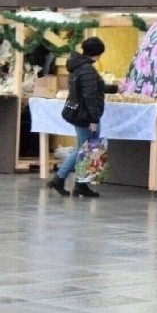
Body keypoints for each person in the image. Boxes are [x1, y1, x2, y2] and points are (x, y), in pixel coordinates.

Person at [48, 37, 116, 198]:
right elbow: (90, 96)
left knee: (88, 147)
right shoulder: (87, 69)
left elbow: (92, 88)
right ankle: (62, 179)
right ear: (98, 53)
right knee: (86, 147)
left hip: (80, 113)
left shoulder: (78, 66)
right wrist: (93, 119)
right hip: (86, 115)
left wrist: (115, 88)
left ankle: (80, 183)